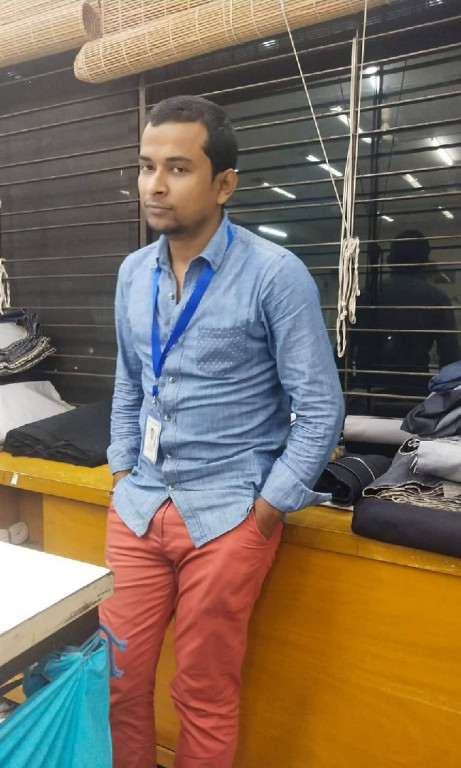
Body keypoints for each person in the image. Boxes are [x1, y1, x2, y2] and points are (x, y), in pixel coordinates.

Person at [101, 95, 344, 768]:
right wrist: (121, 471)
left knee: (203, 693)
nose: (154, 185)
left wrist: (265, 512)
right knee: (115, 679)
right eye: (146, 166)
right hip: (138, 508)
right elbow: (128, 382)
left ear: (224, 183)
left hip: (227, 516)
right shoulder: (132, 273)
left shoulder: (274, 275)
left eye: (177, 168)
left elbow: (320, 407)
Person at [352, 230, 459, 404]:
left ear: (390, 260)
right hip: (414, 395)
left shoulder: (365, 295)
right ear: (424, 263)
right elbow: (450, 358)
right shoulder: (437, 299)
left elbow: (344, 349)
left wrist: (347, 389)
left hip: (366, 393)